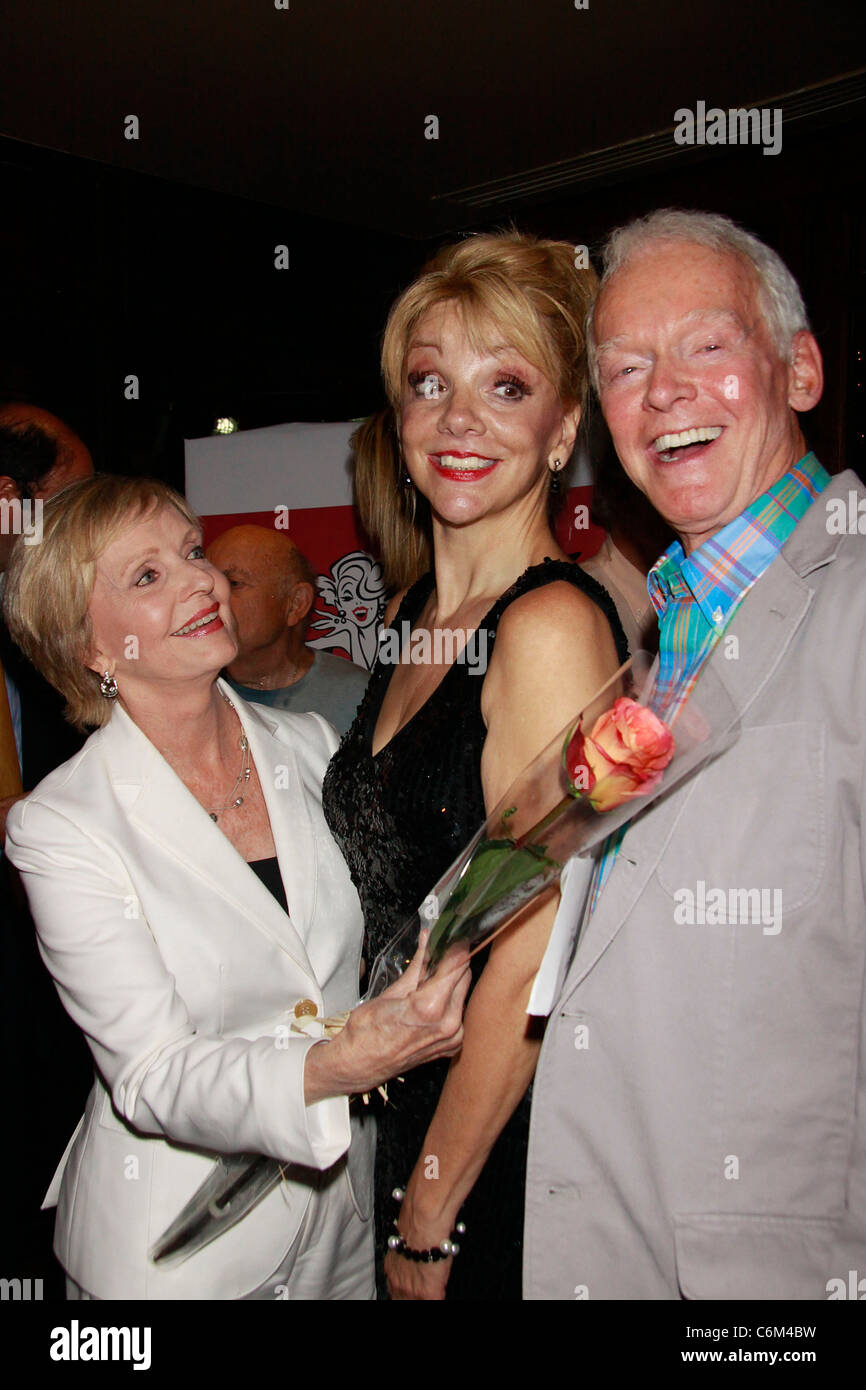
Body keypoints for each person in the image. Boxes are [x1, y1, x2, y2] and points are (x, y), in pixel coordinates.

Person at [3, 474, 470, 1301]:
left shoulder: (314, 743)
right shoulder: (62, 827)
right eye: (148, 577)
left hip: (344, 1221)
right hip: (179, 1254)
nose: (200, 581)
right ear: (91, 647)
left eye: (191, 552)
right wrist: (335, 1065)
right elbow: (152, 1074)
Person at [524, 208, 866, 1299]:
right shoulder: (657, 635)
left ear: (799, 370)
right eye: (625, 366)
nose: (661, 389)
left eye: (705, 347)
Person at [323, 232, 628, 1299]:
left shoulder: (546, 628)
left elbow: (532, 955)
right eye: (428, 383)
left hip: (495, 1151)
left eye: (505, 385)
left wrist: (428, 1214)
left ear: (564, 431)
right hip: (408, 1110)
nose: (457, 420)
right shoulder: (413, 612)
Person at [206, 524, 370, 735]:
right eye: (209, 582)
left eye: (234, 583)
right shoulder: (186, 695)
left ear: (295, 604)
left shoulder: (358, 698)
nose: (212, 596)